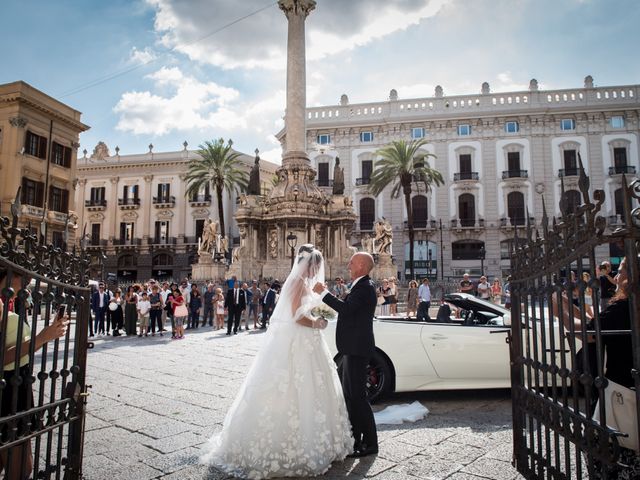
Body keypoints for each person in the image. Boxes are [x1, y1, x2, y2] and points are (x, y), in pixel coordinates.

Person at [201, 245, 352, 477]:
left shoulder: (300, 283)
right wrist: (317, 322)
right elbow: (297, 317)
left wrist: (316, 316)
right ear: (309, 265)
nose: (317, 271)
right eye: (316, 267)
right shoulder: (300, 284)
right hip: (300, 338)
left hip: (301, 341)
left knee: (301, 384)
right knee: (298, 384)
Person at [553, 256, 640, 478]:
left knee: (612, 448)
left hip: (622, 387)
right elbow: (598, 323)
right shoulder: (628, 306)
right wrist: (567, 304)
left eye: (621, 271)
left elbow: (589, 333)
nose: (617, 276)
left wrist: (559, 311)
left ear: (632, 276)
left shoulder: (624, 306)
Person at [0, 269, 69, 480]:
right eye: (25, 278)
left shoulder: (5, 303)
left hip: (16, 384)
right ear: (10, 275)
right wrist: (42, 337)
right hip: (8, 391)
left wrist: (46, 336)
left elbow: (15, 349)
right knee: (21, 469)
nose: (27, 285)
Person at [313, 251, 378, 458]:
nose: (348, 265)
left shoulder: (365, 287)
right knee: (350, 397)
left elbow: (347, 309)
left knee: (358, 397)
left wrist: (324, 294)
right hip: (352, 348)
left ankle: (370, 444)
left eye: (351, 262)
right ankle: (356, 439)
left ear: (361, 265)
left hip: (357, 349)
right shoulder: (360, 286)